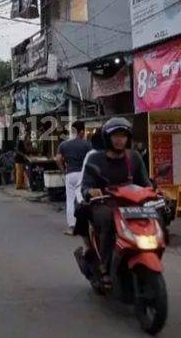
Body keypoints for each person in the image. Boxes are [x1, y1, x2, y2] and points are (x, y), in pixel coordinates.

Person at [77, 117, 151, 283]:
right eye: (115, 136)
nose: (119, 140)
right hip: (104, 203)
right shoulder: (95, 159)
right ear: (107, 138)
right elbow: (86, 186)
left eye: (123, 136)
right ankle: (104, 264)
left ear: (128, 138)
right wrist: (91, 191)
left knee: (156, 214)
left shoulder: (134, 158)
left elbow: (145, 183)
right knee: (108, 220)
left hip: (130, 204)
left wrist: (156, 192)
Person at [56, 121, 92, 236]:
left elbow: (58, 159)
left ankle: (72, 227)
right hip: (83, 175)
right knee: (82, 199)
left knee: (70, 201)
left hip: (70, 174)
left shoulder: (64, 145)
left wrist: (63, 170)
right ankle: (85, 226)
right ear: (81, 131)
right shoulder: (87, 144)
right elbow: (92, 159)